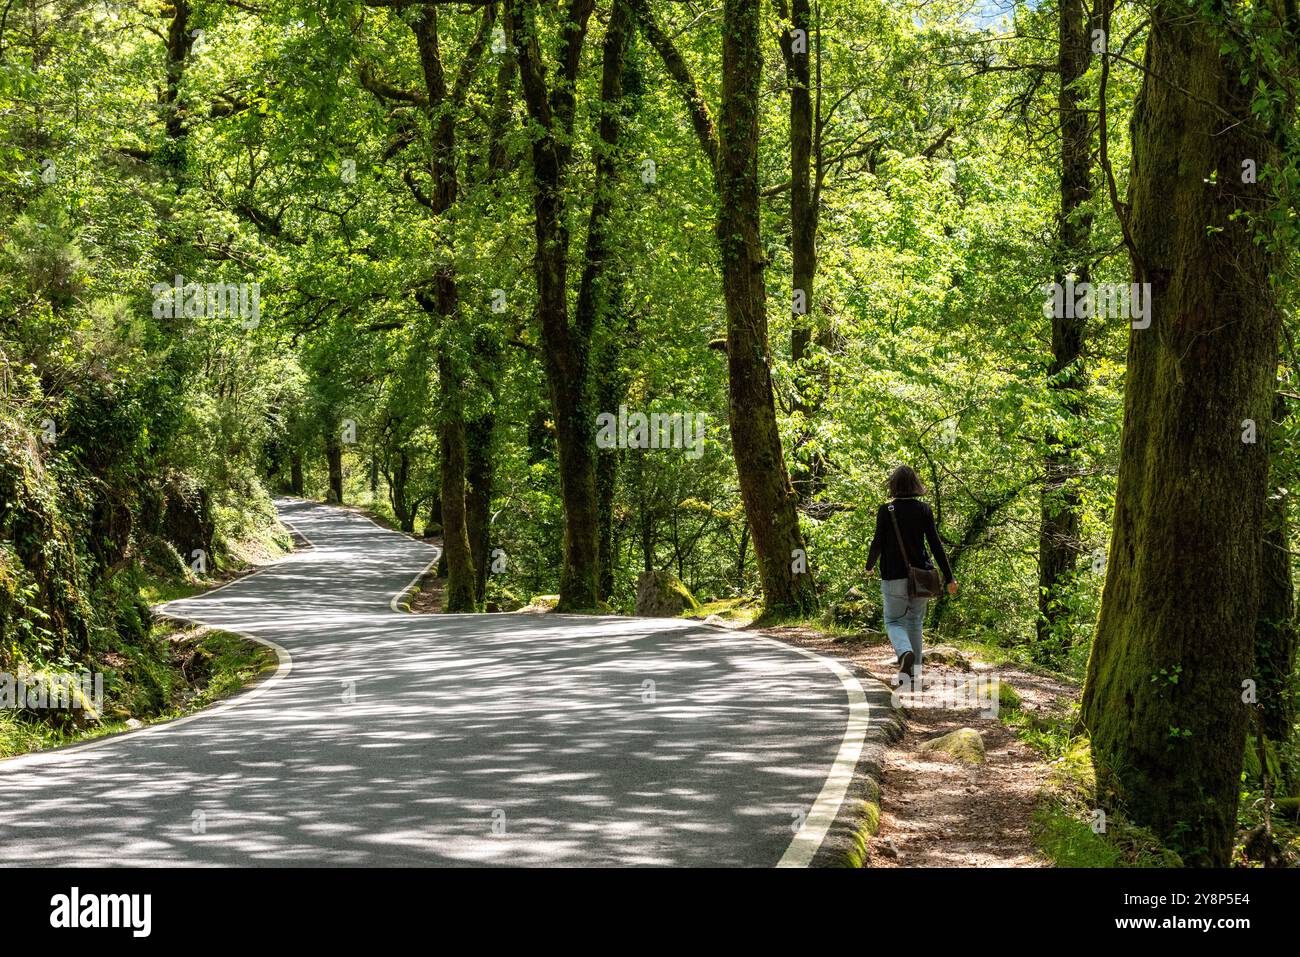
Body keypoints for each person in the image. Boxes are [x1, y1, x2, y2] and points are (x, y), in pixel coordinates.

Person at [865, 465, 957, 682]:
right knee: (915, 622)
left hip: (893, 576)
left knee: (893, 621)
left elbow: (877, 542)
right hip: (921, 578)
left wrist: (869, 565)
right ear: (916, 484)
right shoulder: (924, 510)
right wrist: (949, 576)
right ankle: (914, 676)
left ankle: (905, 653)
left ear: (893, 486)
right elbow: (935, 545)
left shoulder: (886, 511)